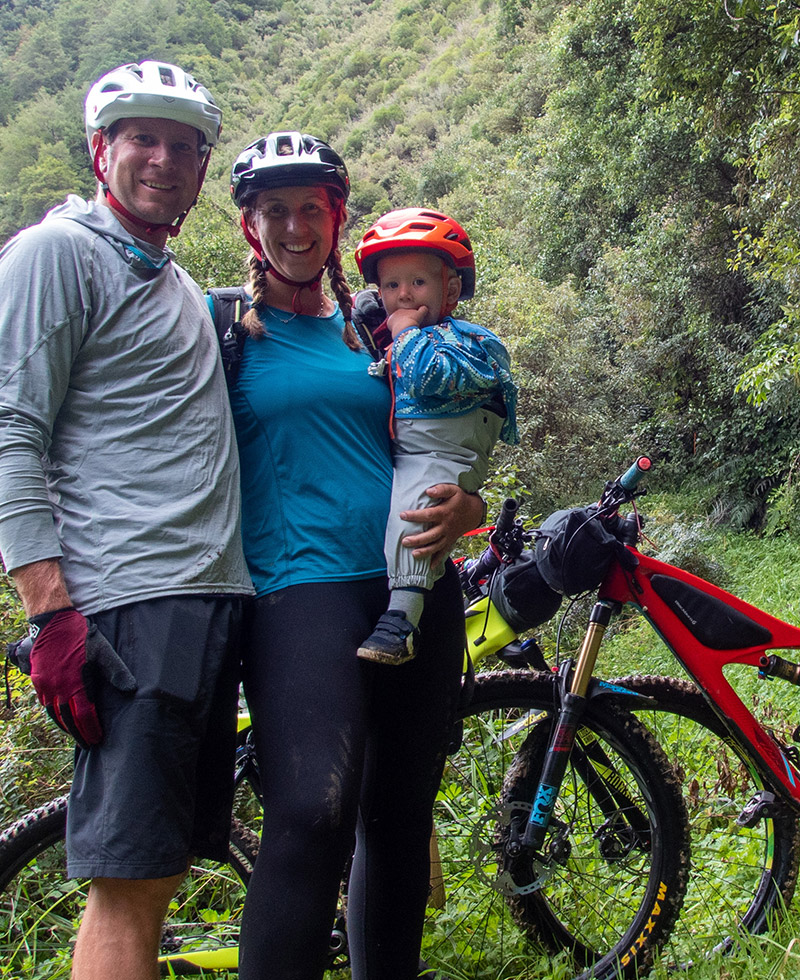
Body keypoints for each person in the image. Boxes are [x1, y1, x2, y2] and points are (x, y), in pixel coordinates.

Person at [0, 61, 253, 980]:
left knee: (157, 871)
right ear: (101, 150)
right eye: (142, 138)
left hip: (203, 599)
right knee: (130, 882)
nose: (163, 159)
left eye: (183, 146)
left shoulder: (170, 279)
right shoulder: (55, 252)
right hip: (133, 608)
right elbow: (10, 430)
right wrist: (50, 611)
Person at [223, 131, 484, 980]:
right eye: (275, 211)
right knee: (310, 813)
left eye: (312, 208)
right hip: (300, 588)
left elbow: (443, 440)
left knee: (401, 814)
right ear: (248, 224)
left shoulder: (377, 325)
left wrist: (471, 505)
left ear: (337, 218)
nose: (295, 226)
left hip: (416, 579)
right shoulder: (224, 329)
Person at [353, 207, 519, 665]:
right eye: (390, 286)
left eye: (417, 283)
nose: (403, 294)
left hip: (444, 443)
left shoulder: (462, 340)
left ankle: (401, 620)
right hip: (420, 441)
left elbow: (430, 377)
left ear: (450, 291)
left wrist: (404, 332)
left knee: (419, 510)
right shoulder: (401, 337)